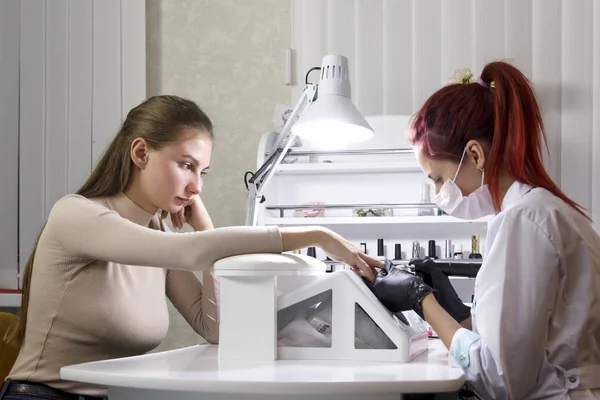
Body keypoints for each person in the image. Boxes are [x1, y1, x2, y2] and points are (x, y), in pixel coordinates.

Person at [0, 95, 381, 400]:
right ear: (140, 154)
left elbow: (212, 329)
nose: (197, 186)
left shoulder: (158, 236)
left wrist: (205, 226)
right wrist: (316, 234)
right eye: (186, 165)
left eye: (202, 172)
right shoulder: (76, 216)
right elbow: (191, 252)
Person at [372, 61, 600, 399]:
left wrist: (423, 302)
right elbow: (527, 337)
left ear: (475, 155)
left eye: (437, 178)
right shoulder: (540, 211)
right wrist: (462, 317)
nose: (438, 195)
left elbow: (498, 380)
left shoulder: (522, 221)